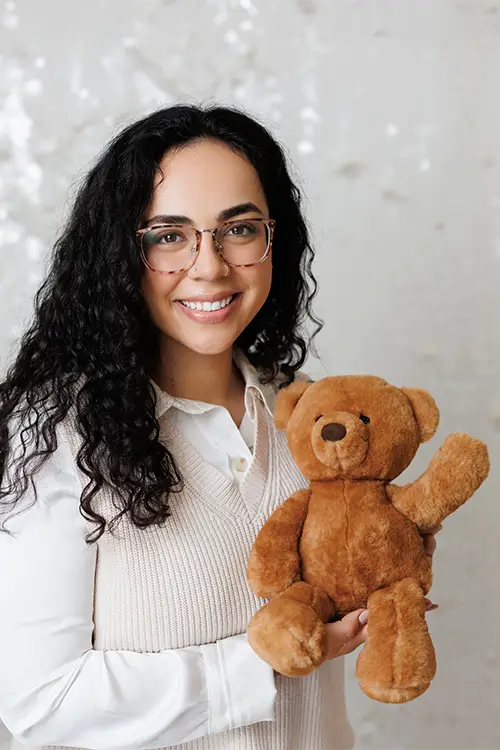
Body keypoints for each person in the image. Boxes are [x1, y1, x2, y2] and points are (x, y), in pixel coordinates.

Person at [0, 104, 438, 750]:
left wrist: (389, 561)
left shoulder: (308, 425)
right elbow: (40, 703)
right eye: (168, 236)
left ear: (273, 241)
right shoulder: (58, 438)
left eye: (238, 229)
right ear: (122, 250)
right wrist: (269, 658)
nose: (209, 267)